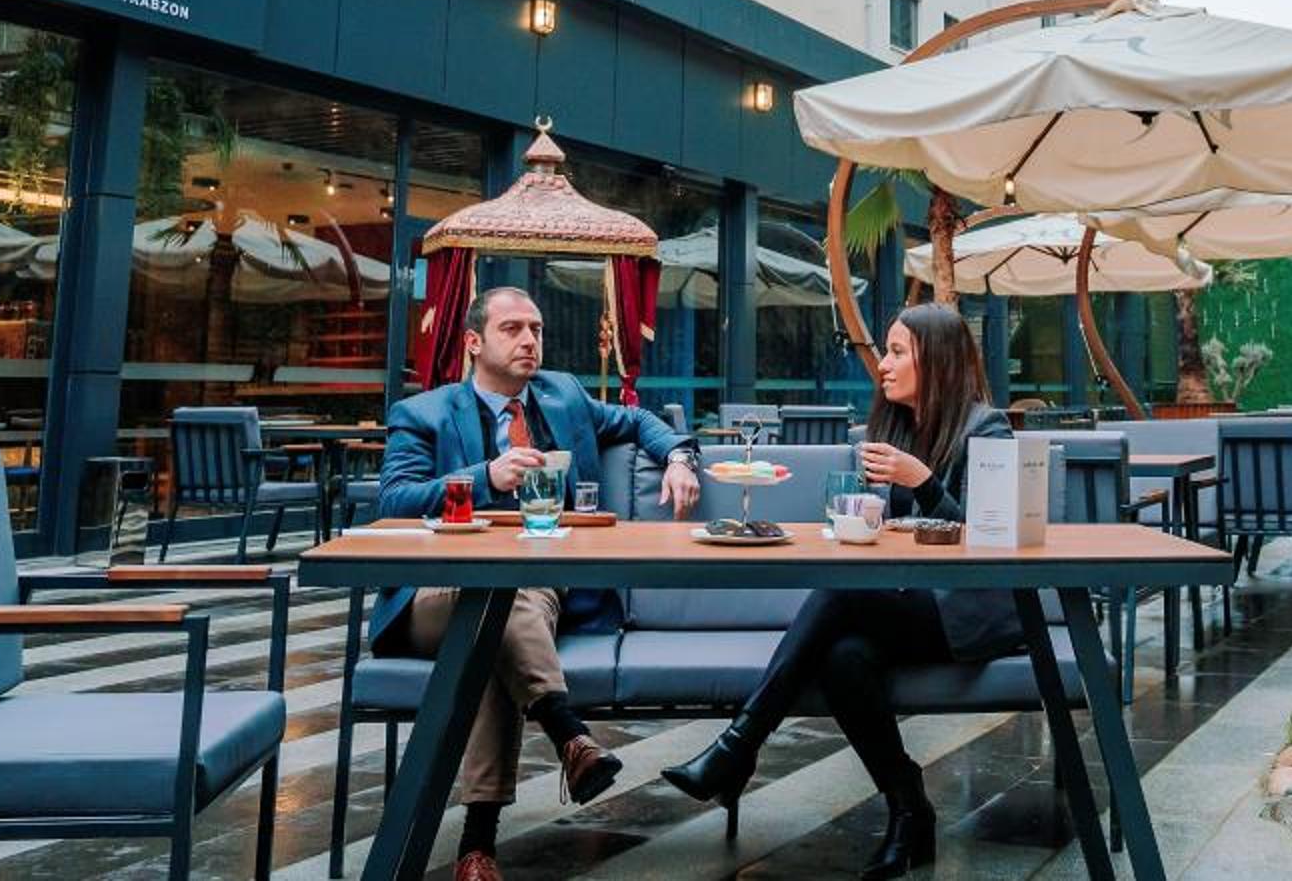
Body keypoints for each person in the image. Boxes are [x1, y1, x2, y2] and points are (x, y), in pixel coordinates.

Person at [662, 302, 1011, 880]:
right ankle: (908, 810)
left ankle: (739, 746)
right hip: (910, 602)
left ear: (938, 360)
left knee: (842, 594)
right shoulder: (901, 428)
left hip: (968, 612)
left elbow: (990, 538)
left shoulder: (987, 428)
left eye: (897, 352)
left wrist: (923, 482)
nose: (884, 365)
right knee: (844, 659)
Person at [372, 285, 701, 881]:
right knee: (495, 602)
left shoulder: (563, 395)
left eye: (537, 329)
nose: (530, 340)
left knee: (494, 623)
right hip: (435, 594)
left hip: (538, 590)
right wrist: (485, 476)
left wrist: (679, 458)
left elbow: (638, 419)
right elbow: (394, 501)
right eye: (513, 329)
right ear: (474, 343)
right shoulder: (424, 413)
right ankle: (567, 732)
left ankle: (479, 847)